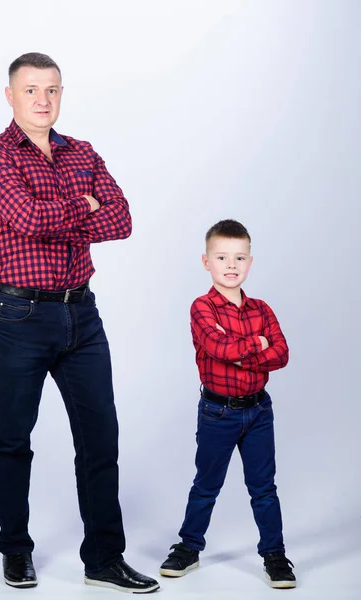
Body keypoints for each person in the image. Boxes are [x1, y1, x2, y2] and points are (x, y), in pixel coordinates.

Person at [0, 52, 159, 594]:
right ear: (10, 95)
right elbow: (25, 218)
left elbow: (120, 220)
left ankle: (103, 559)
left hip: (82, 312)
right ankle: (15, 551)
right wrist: (83, 204)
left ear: (61, 93)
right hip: (18, 313)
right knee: (12, 436)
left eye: (51, 90)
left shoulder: (82, 151)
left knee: (101, 437)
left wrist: (61, 209)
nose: (42, 100)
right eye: (31, 90)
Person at [159, 219, 296, 589]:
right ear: (207, 262)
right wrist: (257, 345)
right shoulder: (202, 308)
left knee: (264, 488)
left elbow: (281, 354)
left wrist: (240, 350)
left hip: (258, 412)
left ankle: (275, 555)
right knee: (206, 485)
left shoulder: (262, 309)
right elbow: (219, 349)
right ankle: (188, 548)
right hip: (218, 412)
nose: (231, 265)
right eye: (222, 257)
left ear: (249, 262)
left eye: (239, 258)